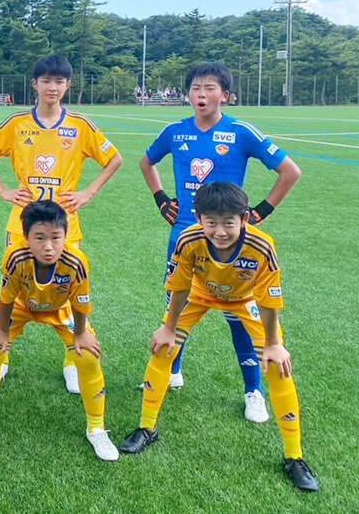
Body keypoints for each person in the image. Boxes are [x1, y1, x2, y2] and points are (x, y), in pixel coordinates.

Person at [119, 182, 319, 492]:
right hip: (200, 294)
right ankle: (147, 428)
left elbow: (269, 300)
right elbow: (180, 286)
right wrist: (169, 328)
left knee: (277, 366)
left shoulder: (262, 246)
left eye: (228, 223)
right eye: (211, 222)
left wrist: (273, 344)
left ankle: (294, 457)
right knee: (163, 349)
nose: (220, 231)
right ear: (199, 218)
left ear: (244, 219)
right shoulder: (188, 240)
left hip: (245, 299)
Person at [140, 62, 301, 421]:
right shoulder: (174, 132)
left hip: (231, 240)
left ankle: (253, 391)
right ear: (187, 94)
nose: (201, 94)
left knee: (238, 316)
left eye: (210, 88)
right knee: (176, 307)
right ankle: (172, 373)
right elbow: (146, 162)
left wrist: (259, 212)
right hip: (185, 237)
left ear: (225, 95)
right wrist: (161, 199)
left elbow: (290, 171)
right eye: (196, 88)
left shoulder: (240, 132)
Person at [0, 54, 122, 392]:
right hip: (21, 225)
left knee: (68, 289)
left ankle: (72, 359)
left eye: (59, 81)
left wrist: (88, 192)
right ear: (35, 84)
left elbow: (114, 159)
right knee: (10, 287)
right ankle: (2, 353)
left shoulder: (80, 125)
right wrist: (2, 190)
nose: (52, 87)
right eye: (46, 81)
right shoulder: (17, 123)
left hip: (65, 226)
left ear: (67, 85)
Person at [0, 201, 118, 460]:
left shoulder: (76, 262)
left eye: (55, 237)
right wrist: (2, 331)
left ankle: (97, 429)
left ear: (66, 236)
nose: (48, 246)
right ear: (26, 237)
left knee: (88, 357)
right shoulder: (15, 257)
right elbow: (6, 298)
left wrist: (80, 334)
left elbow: (80, 302)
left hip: (61, 309)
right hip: (21, 306)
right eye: (40, 237)